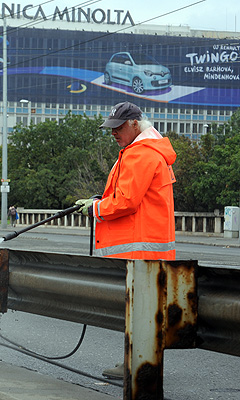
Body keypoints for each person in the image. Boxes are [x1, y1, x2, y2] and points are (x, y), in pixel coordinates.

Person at [75, 101, 177, 379]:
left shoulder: (140, 155)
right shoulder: (149, 152)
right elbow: (133, 197)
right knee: (144, 311)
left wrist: (96, 209)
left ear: (135, 124)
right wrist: (101, 201)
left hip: (138, 248)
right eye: (111, 128)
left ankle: (136, 364)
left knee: (137, 312)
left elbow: (127, 202)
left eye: (119, 127)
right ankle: (142, 362)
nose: (114, 133)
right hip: (149, 246)